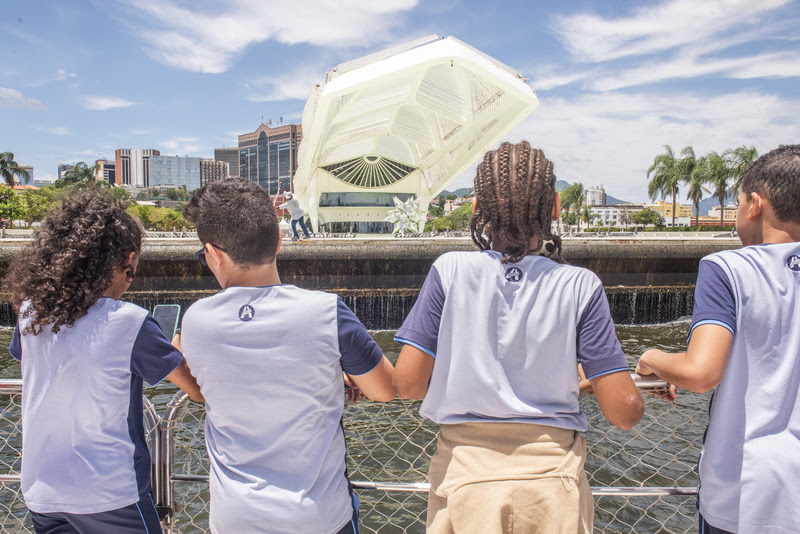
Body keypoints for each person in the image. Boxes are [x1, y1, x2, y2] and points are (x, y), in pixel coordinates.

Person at [393, 141, 644, 534]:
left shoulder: (449, 271)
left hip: (465, 480)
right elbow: (625, 411)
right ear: (556, 208)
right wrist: (582, 380)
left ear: (476, 207)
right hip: (552, 487)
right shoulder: (580, 285)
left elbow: (408, 385)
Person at [178, 178, 395, 534]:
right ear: (279, 241)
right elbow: (385, 389)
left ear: (214, 254)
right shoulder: (326, 312)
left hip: (234, 518)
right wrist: (336, 374)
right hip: (317, 516)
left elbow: (197, 373)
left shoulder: (195, 321)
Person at [4, 188, 203, 534]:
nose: (128, 285)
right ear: (126, 260)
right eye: (131, 274)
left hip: (43, 490)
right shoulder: (129, 321)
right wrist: (180, 345)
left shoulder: (30, 313)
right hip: (110, 494)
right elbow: (195, 390)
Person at [636, 144, 800, 534]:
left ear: (755, 204)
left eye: (739, 202)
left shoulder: (728, 267)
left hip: (749, 493)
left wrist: (652, 357)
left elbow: (701, 372)